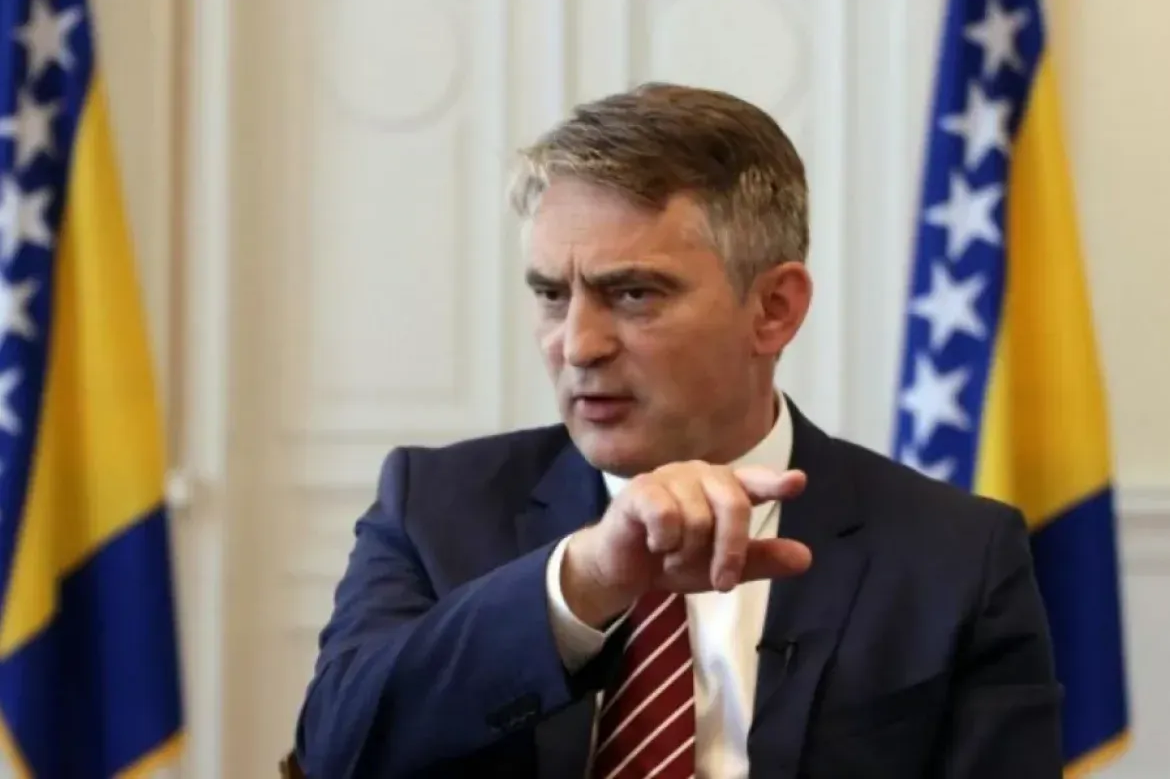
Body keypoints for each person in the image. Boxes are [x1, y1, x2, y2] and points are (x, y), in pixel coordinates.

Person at [293, 83, 1063, 778]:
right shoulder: (434, 505)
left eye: (632, 294)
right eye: (552, 295)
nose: (577, 345)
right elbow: (336, 750)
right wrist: (581, 582)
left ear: (774, 310)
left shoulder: (954, 554)